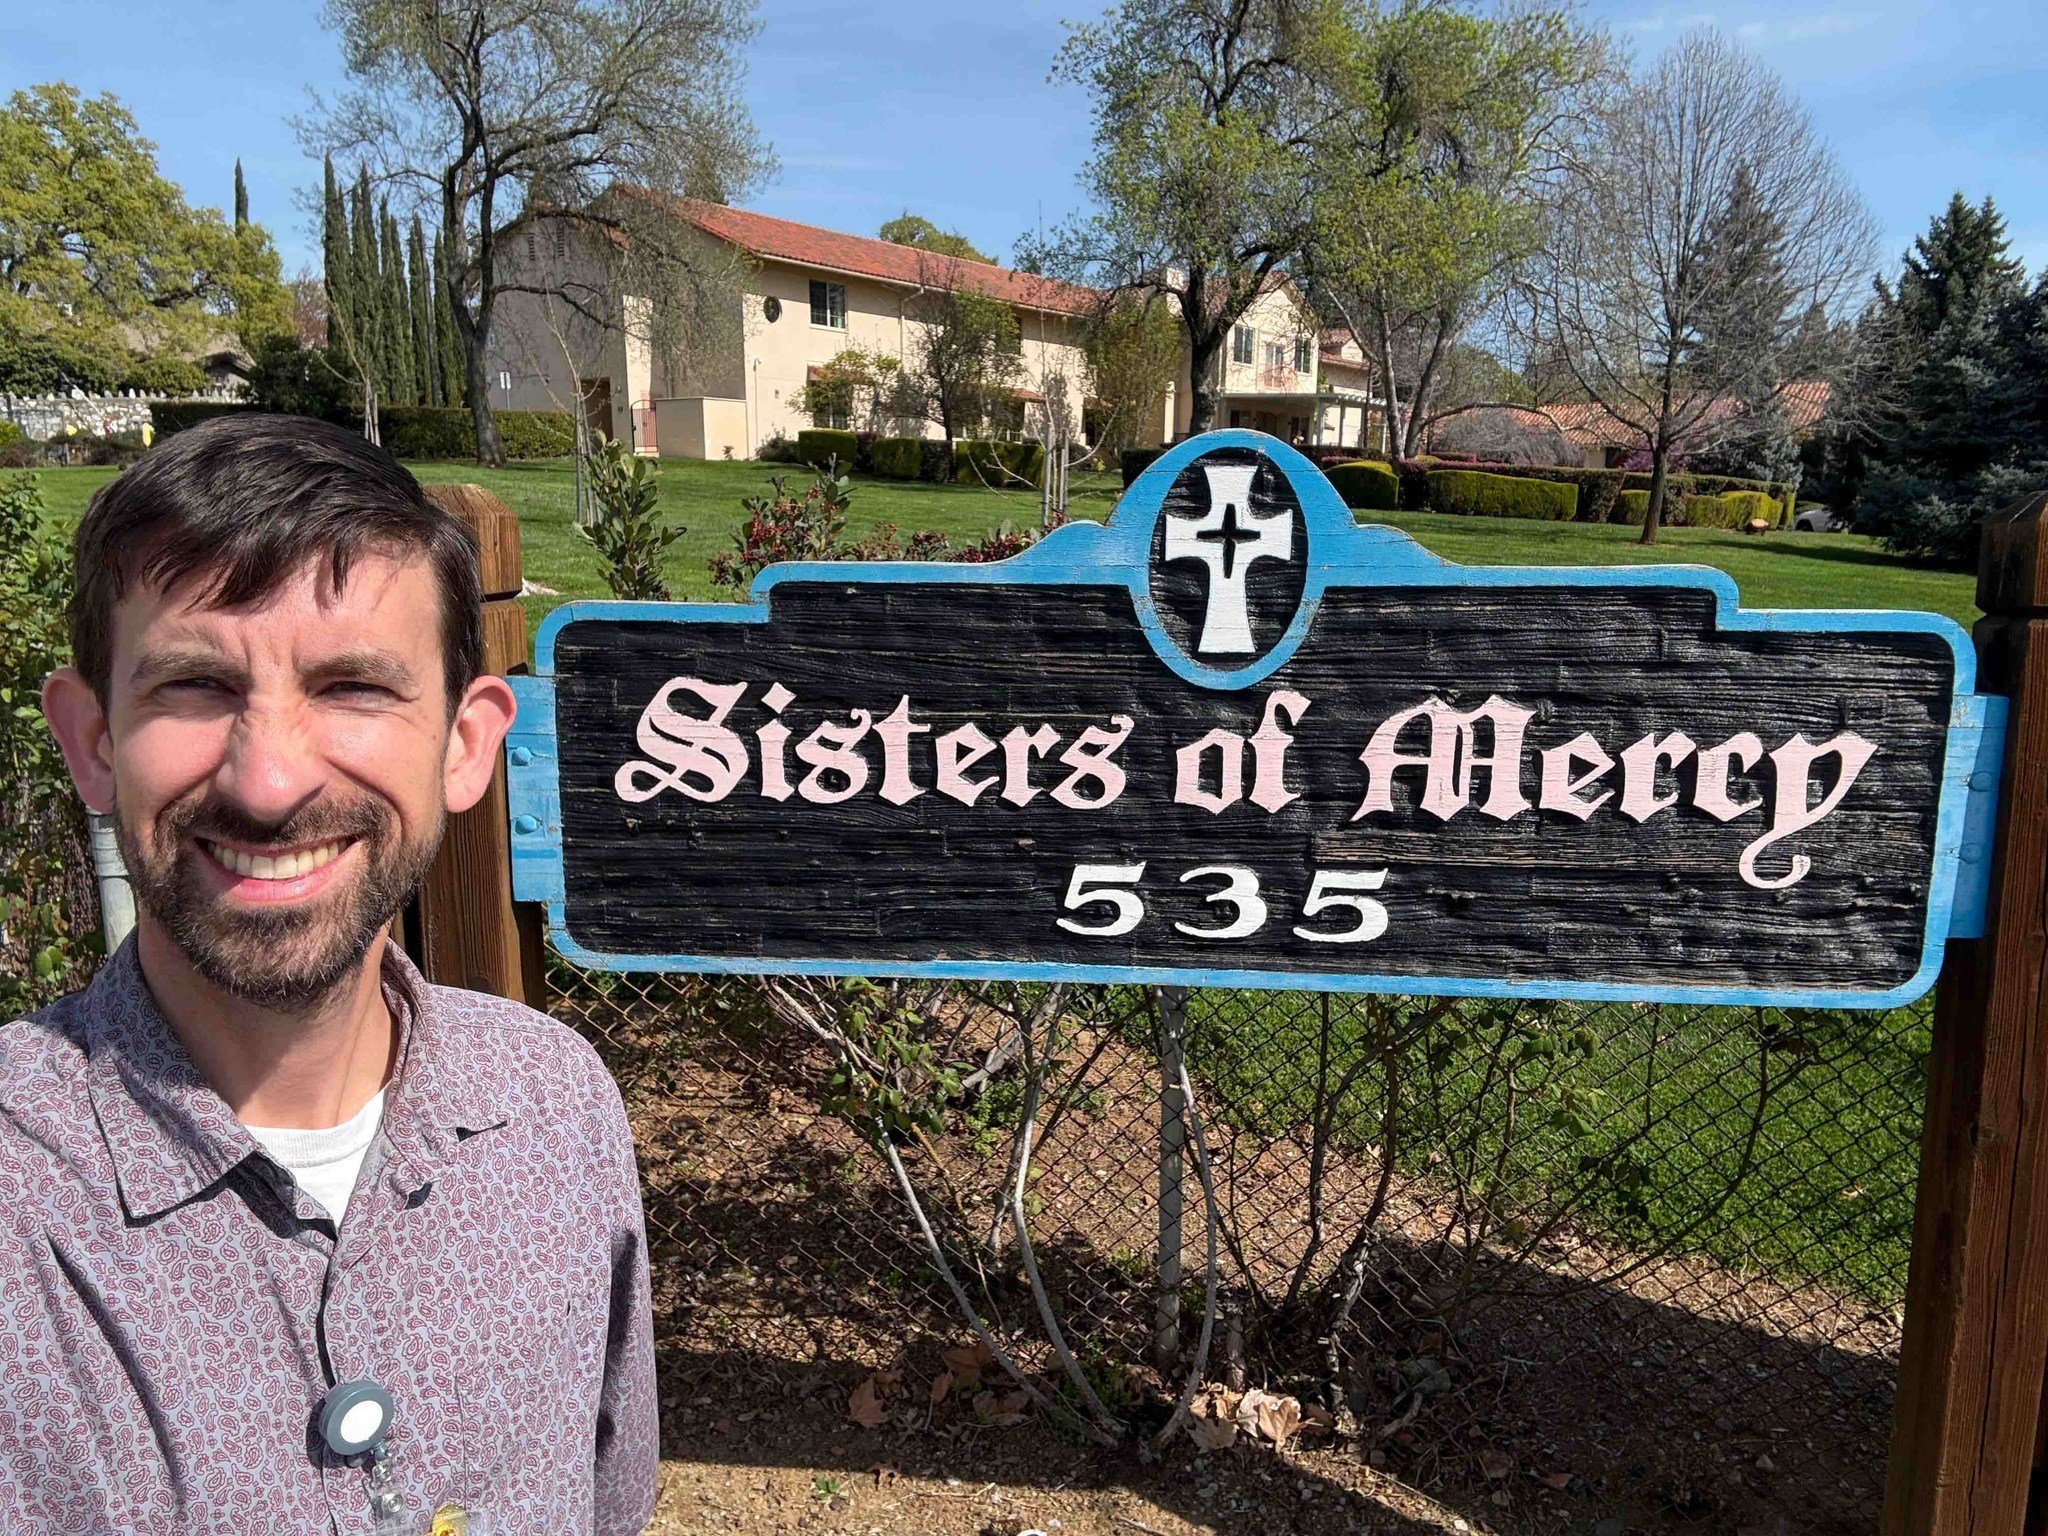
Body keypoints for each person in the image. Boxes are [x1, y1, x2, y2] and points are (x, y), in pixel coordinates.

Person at [1, 415, 658, 1534]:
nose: (268, 781)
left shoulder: (556, 1107)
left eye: (353, 686)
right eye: (197, 687)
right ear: (94, 741)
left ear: (464, 744)